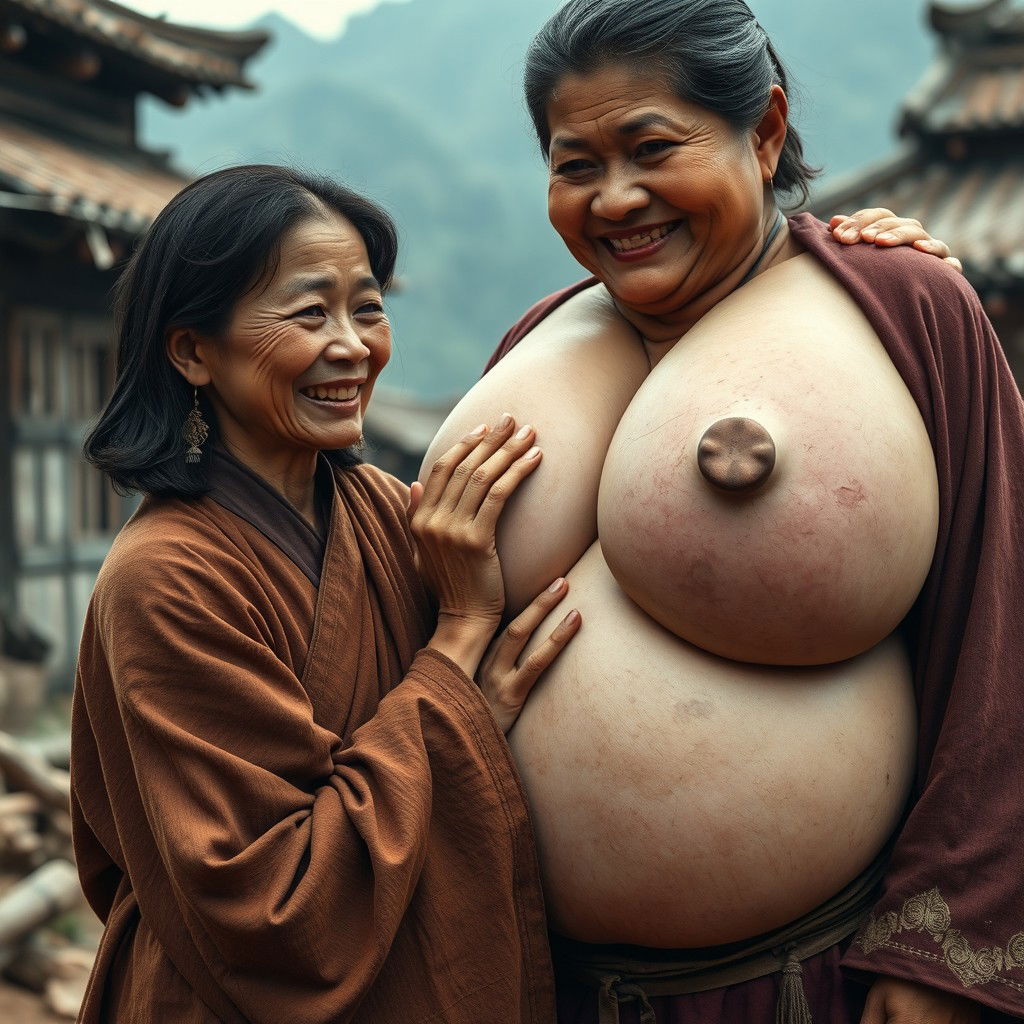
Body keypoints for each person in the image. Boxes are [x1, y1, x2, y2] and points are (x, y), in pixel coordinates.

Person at [421, 1, 1024, 1022]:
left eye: (653, 148)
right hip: (541, 985)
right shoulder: (534, 336)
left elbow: (1001, 627)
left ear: (765, 129)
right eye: (575, 166)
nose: (616, 197)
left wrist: (942, 954)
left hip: (802, 985)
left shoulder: (900, 304)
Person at [70, 164, 586, 1023]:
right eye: (310, 314)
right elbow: (277, 906)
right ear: (193, 351)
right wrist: (461, 642)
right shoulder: (165, 578)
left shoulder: (386, 511)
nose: (353, 346)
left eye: (368, 309)